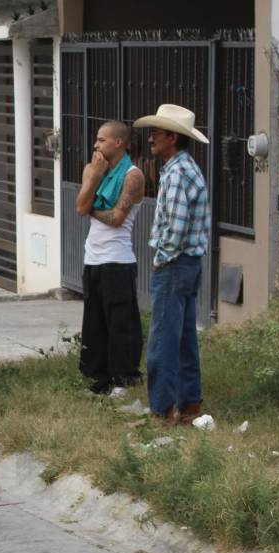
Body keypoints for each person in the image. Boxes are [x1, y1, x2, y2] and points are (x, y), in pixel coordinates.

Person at [132, 104, 211, 425]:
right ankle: (189, 404)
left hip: (175, 264)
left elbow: (175, 230)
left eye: (157, 133)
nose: (151, 138)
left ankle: (162, 410)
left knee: (163, 339)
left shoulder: (177, 174)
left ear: (173, 138)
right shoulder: (185, 168)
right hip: (189, 263)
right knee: (184, 338)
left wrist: (161, 260)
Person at [74, 121, 146, 394]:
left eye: (102, 140)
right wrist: (94, 177)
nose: (96, 145)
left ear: (119, 143)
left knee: (121, 324)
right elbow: (80, 206)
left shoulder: (132, 176)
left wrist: (89, 206)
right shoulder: (93, 171)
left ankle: (123, 379)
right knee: (94, 323)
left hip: (118, 260)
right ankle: (96, 379)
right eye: (96, 139)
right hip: (92, 258)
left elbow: (116, 218)